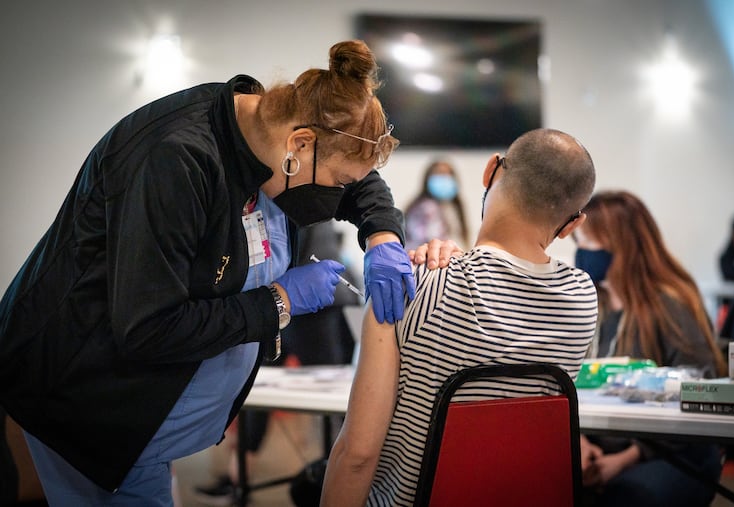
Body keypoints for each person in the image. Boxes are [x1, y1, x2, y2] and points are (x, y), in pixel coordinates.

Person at [0, 40, 459, 506]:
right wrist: (278, 301)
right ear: (299, 145)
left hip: (148, 412)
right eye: (339, 183)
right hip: (85, 392)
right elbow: (148, 326)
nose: (341, 196)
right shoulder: (175, 160)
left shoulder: (271, 134)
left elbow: (358, 176)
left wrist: (383, 235)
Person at [321, 128, 599, 506]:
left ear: (490, 172)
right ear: (572, 225)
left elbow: (357, 456)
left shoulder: (412, 285)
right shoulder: (582, 297)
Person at [573, 190, 728, 507]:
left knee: (628, 496)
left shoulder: (669, 304)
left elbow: (699, 389)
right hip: (597, 447)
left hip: (673, 452)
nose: (581, 253)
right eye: (578, 243)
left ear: (623, 244)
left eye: (588, 242)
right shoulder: (588, 305)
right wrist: (579, 443)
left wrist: (627, 458)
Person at [193, 220, 361, 505]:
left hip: (317, 305)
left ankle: (348, 482)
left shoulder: (309, 203)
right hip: (288, 299)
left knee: (342, 407)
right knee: (254, 385)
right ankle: (237, 482)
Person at [404, 159, 470, 250]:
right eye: (439, 174)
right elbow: (423, 242)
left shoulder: (452, 207)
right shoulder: (425, 208)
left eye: (447, 175)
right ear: (428, 179)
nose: (444, 179)